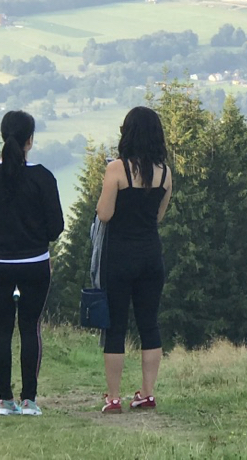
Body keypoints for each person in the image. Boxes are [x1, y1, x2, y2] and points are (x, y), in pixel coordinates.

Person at [0, 110, 63, 416]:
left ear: (2, 136)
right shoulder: (43, 177)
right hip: (35, 262)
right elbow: (56, 226)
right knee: (30, 328)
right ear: (30, 141)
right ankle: (29, 401)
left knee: (1, 329)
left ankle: (4, 401)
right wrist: (37, 239)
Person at [96, 106, 172, 413]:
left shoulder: (117, 169)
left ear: (127, 133)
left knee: (115, 327)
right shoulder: (165, 173)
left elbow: (105, 214)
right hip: (151, 255)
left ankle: (113, 397)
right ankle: (147, 393)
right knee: (149, 324)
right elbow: (159, 216)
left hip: (119, 256)